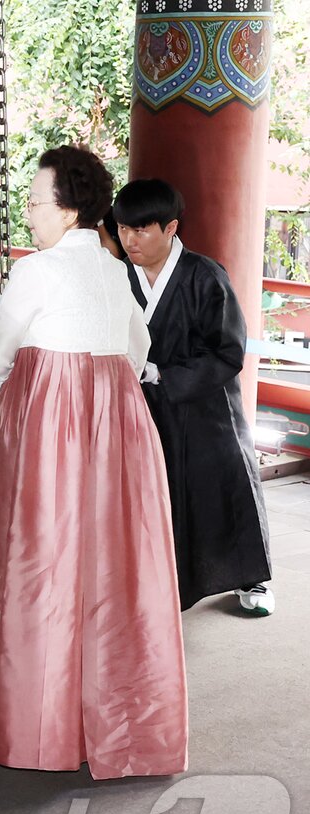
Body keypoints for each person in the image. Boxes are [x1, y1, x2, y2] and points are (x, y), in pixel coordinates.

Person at [0, 146, 188, 779]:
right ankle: (113, 720)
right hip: (118, 433)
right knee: (110, 571)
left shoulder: (37, 271)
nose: (28, 212)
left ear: (68, 209)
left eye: (35, 201)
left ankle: (37, 720)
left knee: (39, 565)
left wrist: (12, 407)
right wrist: (103, 396)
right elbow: (138, 349)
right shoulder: (114, 270)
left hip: (47, 430)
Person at [114, 179, 274, 616]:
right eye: (123, 229)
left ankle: (251, 578)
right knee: (155, 494)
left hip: (204, 405)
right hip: (141, 405)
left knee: (220, 488)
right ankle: (160, 583)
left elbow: (228, 351)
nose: (130, 240)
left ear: (171, 228)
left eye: (141, 230)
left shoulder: (205, 275)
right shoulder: (117, 277)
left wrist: (163, 373)